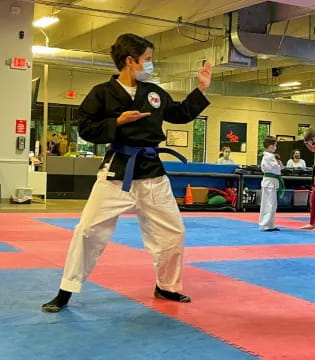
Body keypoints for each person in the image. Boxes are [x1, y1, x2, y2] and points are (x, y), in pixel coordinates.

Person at [41, 33, 212, 312]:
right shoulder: (102, 93)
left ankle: (166, 286)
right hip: (117, 170)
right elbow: (85, 129)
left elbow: (179, 114)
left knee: (173, 232)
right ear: (130, 61)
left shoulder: (154, 92)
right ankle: (66, 290)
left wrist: (201, 90)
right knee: (87, 231)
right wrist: (116, 121)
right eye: (147, 60)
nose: (150, 65)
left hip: (152, 171)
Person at [259, 136, 283, 232]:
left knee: (272, 204)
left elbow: (279, 168)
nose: (275, 147)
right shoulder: (268, 157)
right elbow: (277, 168)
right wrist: (279, 165)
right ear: (270, 146)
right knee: (269, 204)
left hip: (271, 181)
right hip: (269, 182)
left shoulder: (269, 156)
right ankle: (266, 225)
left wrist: (279, 166)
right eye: (275, 145)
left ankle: (270, 224)